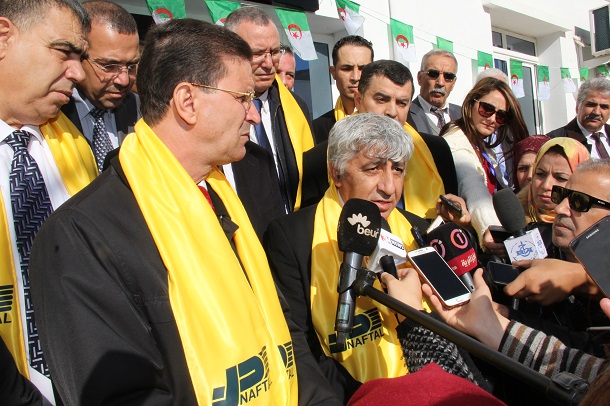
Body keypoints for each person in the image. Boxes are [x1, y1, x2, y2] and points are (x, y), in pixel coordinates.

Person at [29, 19, 340, 405]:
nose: (255, 115)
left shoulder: (223, 197)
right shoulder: (80, 236)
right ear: (187, 102)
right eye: (242, 98)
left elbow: (285, 333)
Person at [265, 113, 480, 402]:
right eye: (373, 168)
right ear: (336, 173)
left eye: (398, 170)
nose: (389, 188)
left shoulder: (419, 230)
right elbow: (300, 349)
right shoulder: (291, 237)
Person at [0, 0, 95, 403]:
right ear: (3, 37)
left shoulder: (76, 146)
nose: (78, 72)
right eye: (64, 52)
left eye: (81, 57)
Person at [302, 60, 461, 221]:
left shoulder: (436, 150)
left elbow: (452, 218)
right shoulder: (319, 158)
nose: (392, 112)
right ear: (358, 100)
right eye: (381, 99)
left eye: (401, 103)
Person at [225, 6, 315, 213]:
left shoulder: (297, 107)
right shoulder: (214, 108)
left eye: (274, 52)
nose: (268, 64)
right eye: (257, 53)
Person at [441, 77, 529, 250]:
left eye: (501, 116)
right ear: (470, 104)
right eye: (487, 109)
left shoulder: (479, 143)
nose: (492, 119)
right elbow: (471, 184)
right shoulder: (457, 142)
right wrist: (488, 228)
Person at [61, 0, 140, 173]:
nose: (124, 80)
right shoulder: (52, 113)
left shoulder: (142, 112)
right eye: (109, 66)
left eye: (131, 66)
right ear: (79, 56)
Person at [312, 35, 374, 144]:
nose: (356, 77)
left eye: (363, 69)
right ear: (333, 73)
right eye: (347, 69)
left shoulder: (389, 119)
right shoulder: (317, 129)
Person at [517, 137, 589, 225]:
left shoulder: (592, 227)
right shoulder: (511, 218)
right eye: (540, 174)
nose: (546, 186)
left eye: (560, 178)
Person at [547, 77, 610, 159]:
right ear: (577, 107)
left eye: (604, 107)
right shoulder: (554, 141)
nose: (596, 112)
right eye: (591, 105)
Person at [407, 49, 462, 136]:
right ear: (420, 78)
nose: (440, 83)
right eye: (433, 74)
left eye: (448, 76)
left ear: (454, 83)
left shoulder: (464, 115)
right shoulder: (405, 114)